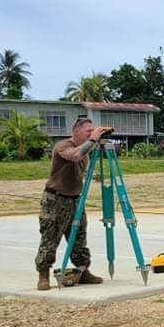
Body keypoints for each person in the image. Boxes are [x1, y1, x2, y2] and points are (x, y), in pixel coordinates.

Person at [35, 117, 108, 290]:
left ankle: (82, 271)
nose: (92, 134)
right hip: (56, 199)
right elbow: (76, 156)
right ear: (75, 131)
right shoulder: (64, 146)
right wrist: (93, 139)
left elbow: (82, 163)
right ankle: (43, 275)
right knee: (50, 238)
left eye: (93, 130)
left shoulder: (86, 150)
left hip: (76, 200)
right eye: (87, 131)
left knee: (79, 239)